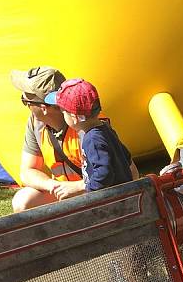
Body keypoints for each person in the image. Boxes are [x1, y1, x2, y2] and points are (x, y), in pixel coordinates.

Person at [10, 66, 87, 212]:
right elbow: (27, 171)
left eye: (25, 101)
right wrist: (53, 186)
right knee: (22, 201)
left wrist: (77, 188)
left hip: (95, 193)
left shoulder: (86, 124)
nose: (27, 106)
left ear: (44, 107)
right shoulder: (35, 122)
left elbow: (122, 174)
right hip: (62, 190)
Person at [44, 78, 138, 191]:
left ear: (74, 118)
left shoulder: (92, 139)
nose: (63, 115)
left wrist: (87, 189)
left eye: (63, 112)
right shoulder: (105, 128)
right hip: (123, 193)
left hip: (111, 199)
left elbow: (104, 174)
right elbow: (126, 156)